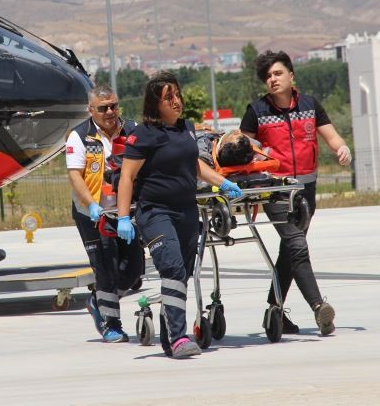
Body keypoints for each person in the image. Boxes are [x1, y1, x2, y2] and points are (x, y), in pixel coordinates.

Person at [115, 72, 242, 359]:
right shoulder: (143, 135)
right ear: (155, 103)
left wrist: (223, 182)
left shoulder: (186, 128)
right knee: (172, 270)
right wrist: (124, 217)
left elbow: (194, 164)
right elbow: (126, 177)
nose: (176, 101)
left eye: (177, 95)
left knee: (181, 275)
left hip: (186, 211)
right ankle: (179, 337)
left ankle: (169, 338)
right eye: (168, 97)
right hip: (156, 213)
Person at [240, 50, 352, 336]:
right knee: (297, 246)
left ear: (292, 76)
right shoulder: (257, 111)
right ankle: (319, 308)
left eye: (277, 73)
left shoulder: (311, 105)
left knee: (289, 251)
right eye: (267, 77)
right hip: (275, 190)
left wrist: (342, 148)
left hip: (306, 190)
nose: (273, 80)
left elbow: (331, 135)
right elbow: (241, 149)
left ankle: (274, 311)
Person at [66, 85, 142, 343]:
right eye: (103, 108)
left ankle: (98, 301)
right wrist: (91, 205)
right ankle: (111, 324)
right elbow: (75, 175)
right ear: (91, 110)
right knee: (106, 268)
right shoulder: (79, 136)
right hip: (93, 214)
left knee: (135, 267)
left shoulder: (132, 130)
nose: (110, 111)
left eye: (113, 106)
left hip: (124, 212)